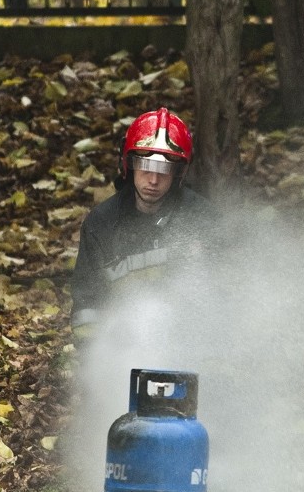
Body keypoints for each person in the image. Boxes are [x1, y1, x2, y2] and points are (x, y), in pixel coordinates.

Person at [70, 107, 209, 329]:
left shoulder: (203, 219)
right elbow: (87, 307)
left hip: (192, 345)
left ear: (178, 173)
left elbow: (226, 296)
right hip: (122, 345)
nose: (153, 179)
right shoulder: (101, 224)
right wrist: (97, 359)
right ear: (129, 164)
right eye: (146, 166)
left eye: (164, 169)